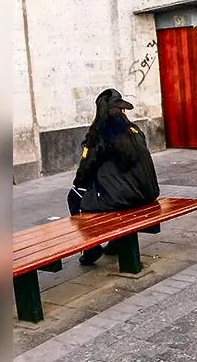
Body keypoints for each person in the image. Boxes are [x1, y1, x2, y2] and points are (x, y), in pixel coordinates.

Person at [68, 89, 160, 265]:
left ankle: (91, 248)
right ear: (122, 111)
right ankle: (116, 242)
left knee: (74, 196)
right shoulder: (135, 130)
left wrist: (80, 185)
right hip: (148, 194)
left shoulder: (99, 134)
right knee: (115, 189)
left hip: (123, 199)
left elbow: (85, 171)